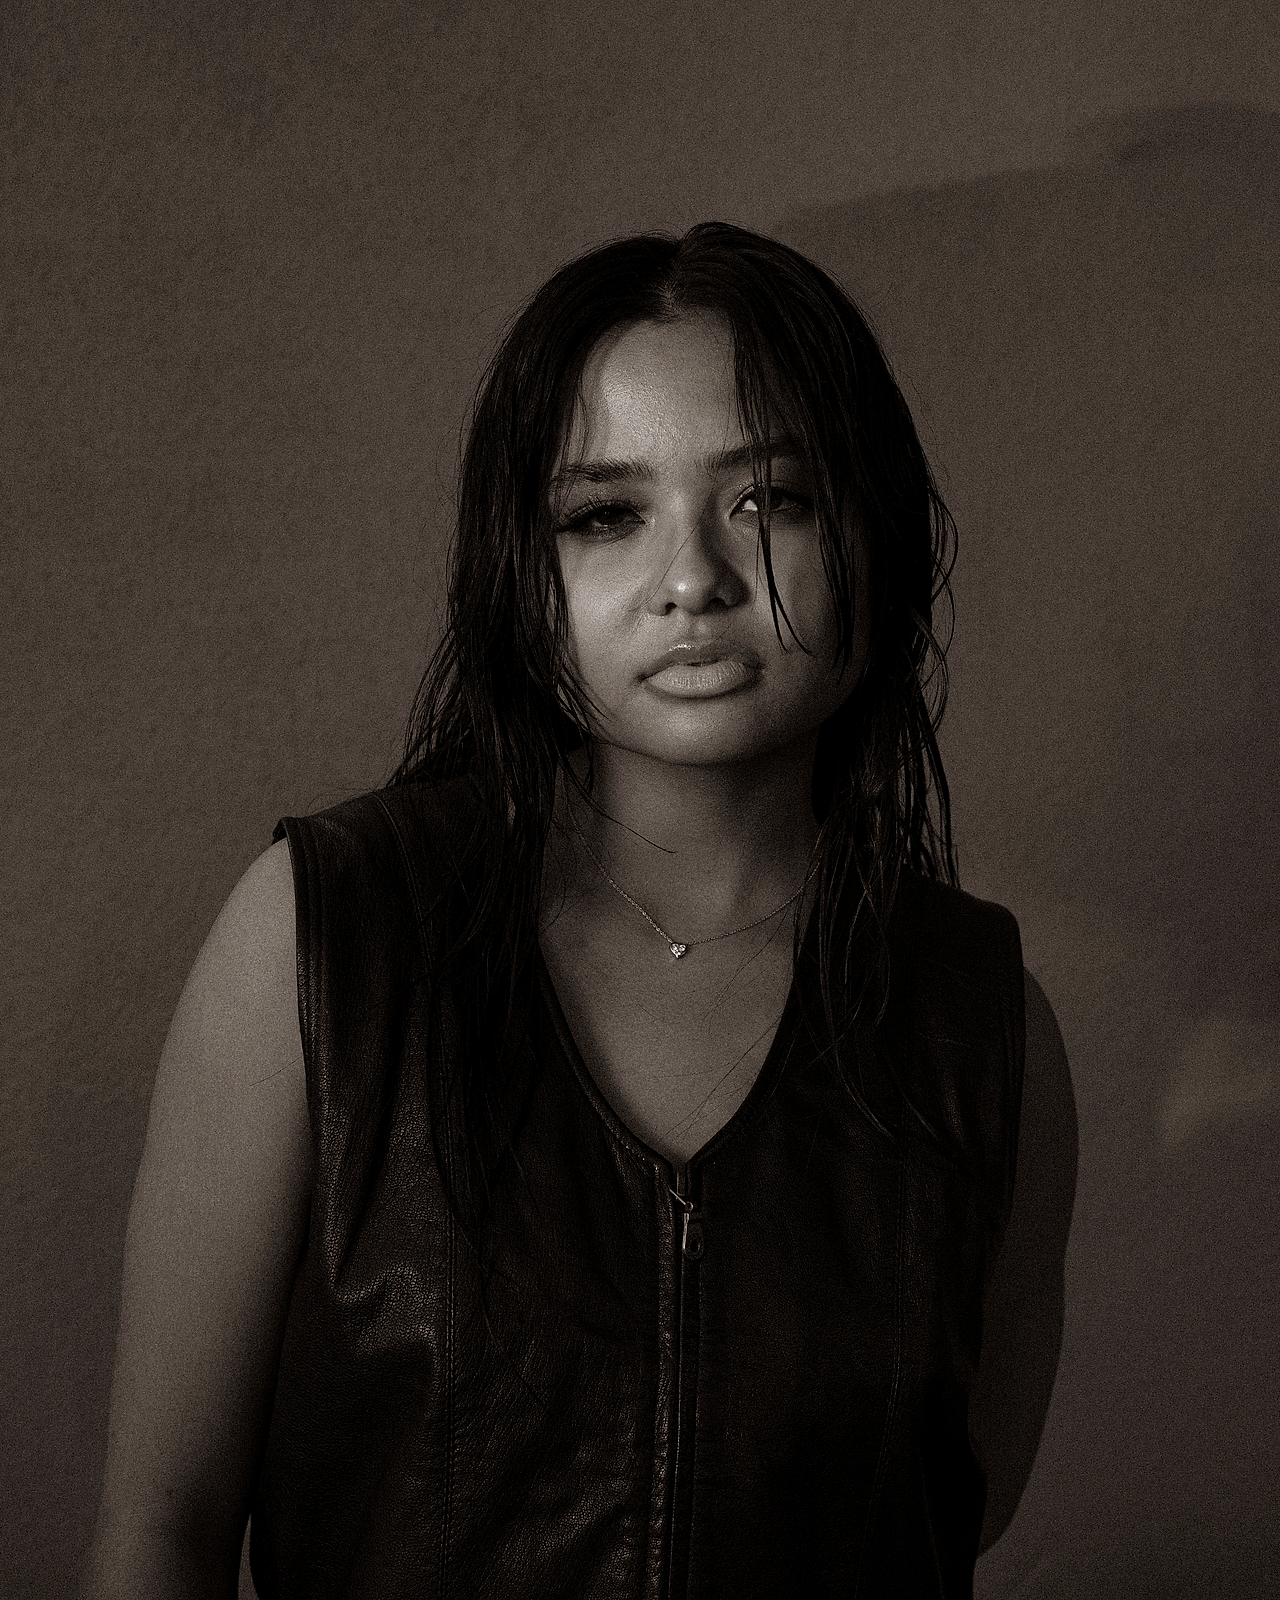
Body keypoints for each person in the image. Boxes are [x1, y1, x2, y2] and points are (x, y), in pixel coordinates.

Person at [84, 222, 1076, 1600]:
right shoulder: (325, 938)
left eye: (771, 499)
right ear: (521, 570)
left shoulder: (982, 1025)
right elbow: (161, 1528)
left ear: (878, 531)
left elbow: (955, 1510)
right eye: (605, 515)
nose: (694, 581)